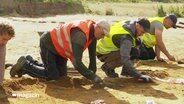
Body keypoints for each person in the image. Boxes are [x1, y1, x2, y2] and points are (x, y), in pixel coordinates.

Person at [10, 19, 110, 85]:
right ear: (98, 27)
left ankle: (30, 60)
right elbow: (77, 62)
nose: (103, 37)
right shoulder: (81, 35)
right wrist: (93, 77)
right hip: (49, 44)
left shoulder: (93, 34)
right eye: (102, 34)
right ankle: (25, 65)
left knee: (62, 76)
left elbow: (92, 58)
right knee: (52, 77)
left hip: (61, 50)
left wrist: (93, 75)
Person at [0, 23, 15, 99]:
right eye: (4, 39)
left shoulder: (2, 44)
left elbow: (1, 64)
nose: (5, 42)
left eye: (8, 40)